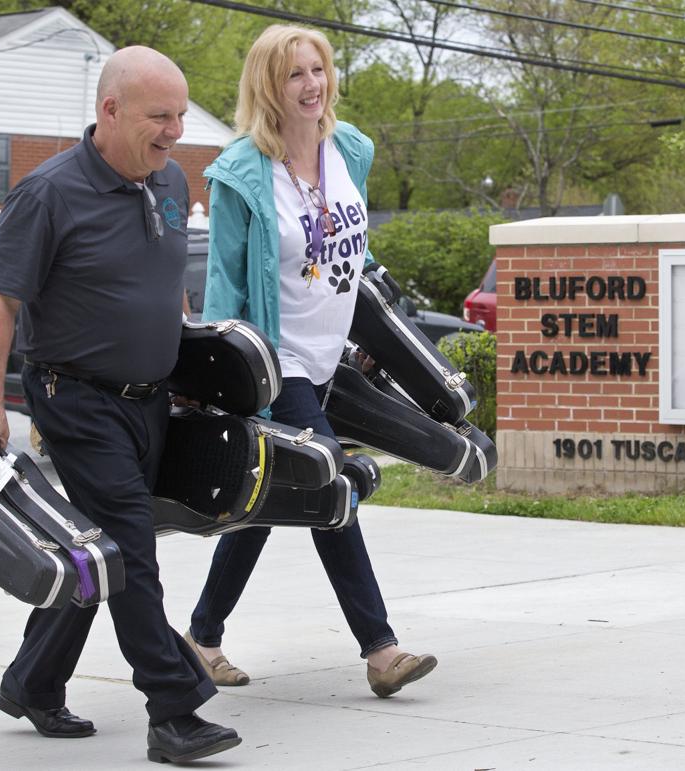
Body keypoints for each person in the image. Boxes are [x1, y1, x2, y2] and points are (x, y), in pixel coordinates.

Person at [0, 46, 241, 763]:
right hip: (76, 400)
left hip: (151, 402)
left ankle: (32, 680)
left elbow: (165, 277)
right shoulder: (48, 193)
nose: (176, 130)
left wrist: (185, 363)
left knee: (101, 553)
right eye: (160, 116)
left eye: (181, 115)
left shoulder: (171, 180)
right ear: (109, 111)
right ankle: (174, 711)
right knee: (132, 552)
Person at [185, 24, 437, 699]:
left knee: (276, 500)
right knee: (327, 482)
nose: (312, 85)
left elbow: (352, 251)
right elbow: (224, 290)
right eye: (295, 74)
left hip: (332, 361)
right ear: (270, 85)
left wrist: (376, 330)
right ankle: (381, 649)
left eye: (318, 69)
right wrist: (225, 383)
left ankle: (201, 637)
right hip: (280, 362)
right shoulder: (242, 174)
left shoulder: (348, 150)